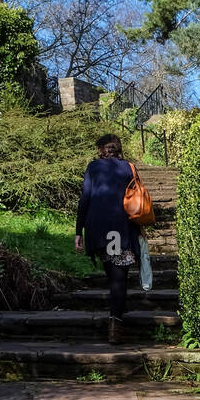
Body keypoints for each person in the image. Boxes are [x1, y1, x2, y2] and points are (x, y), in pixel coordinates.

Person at [74, 132, 141, 344]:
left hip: (98, 229)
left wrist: (78, 231)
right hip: (121, 227)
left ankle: (117, 309)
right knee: (119, 276)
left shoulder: (93, 167)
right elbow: (137, 198)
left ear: (101, 149)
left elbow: (85, 199)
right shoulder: (128, 167)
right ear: (117, 149)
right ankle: (115, 322)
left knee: (113, 273)